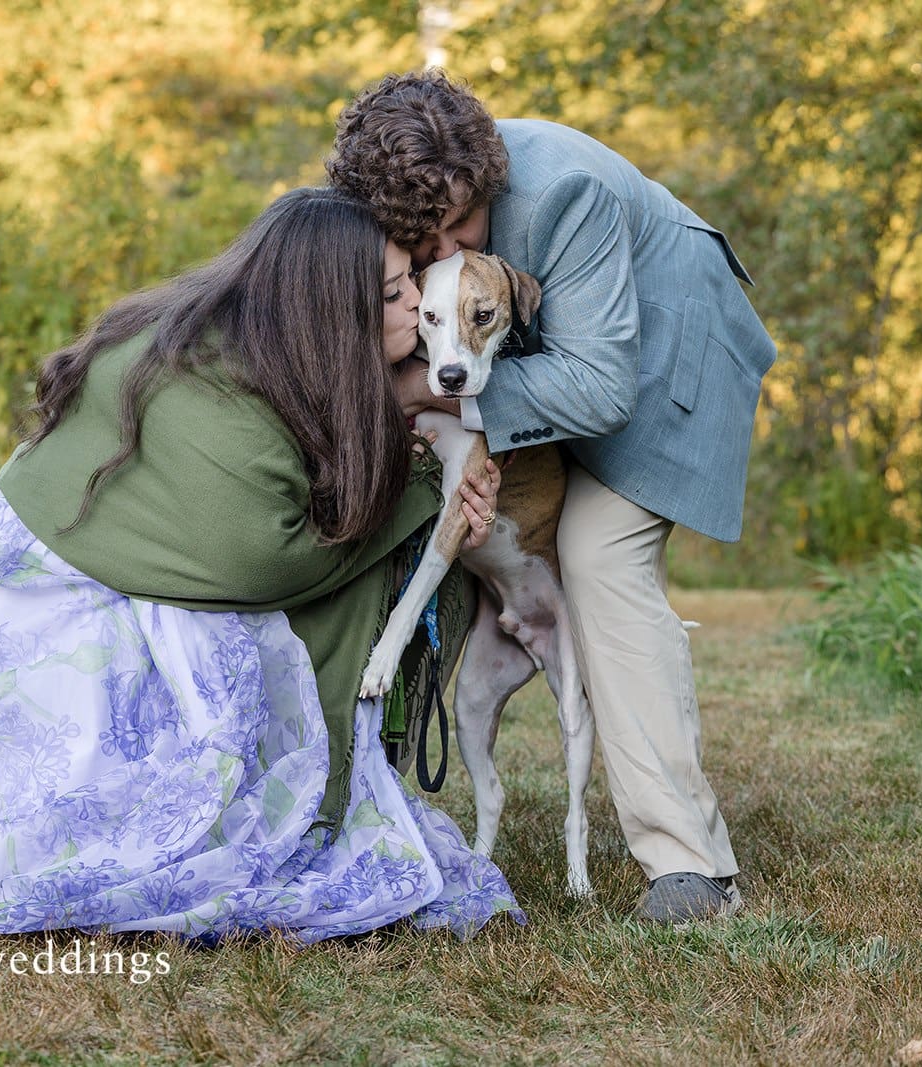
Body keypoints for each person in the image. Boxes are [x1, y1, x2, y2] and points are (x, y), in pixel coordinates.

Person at [0, 187, 521, 942]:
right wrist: (423, 489)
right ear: (331, 305)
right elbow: (258, 557)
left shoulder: (251, 334)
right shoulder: (222, 384)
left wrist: (411, 405)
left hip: (57, 554)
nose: (413, 307)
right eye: (394, 293)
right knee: (217, 677)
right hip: (44, 591)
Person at [327, 71, 779, 923]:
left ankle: (692, 868)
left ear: (486, 183)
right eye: (418, 243)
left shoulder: (564, 192)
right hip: (546, 378)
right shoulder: (419, 227)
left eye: (457, 228)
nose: (437, 254)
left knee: (597, 553)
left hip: (658, 361)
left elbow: (601, 389)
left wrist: (428, 394)